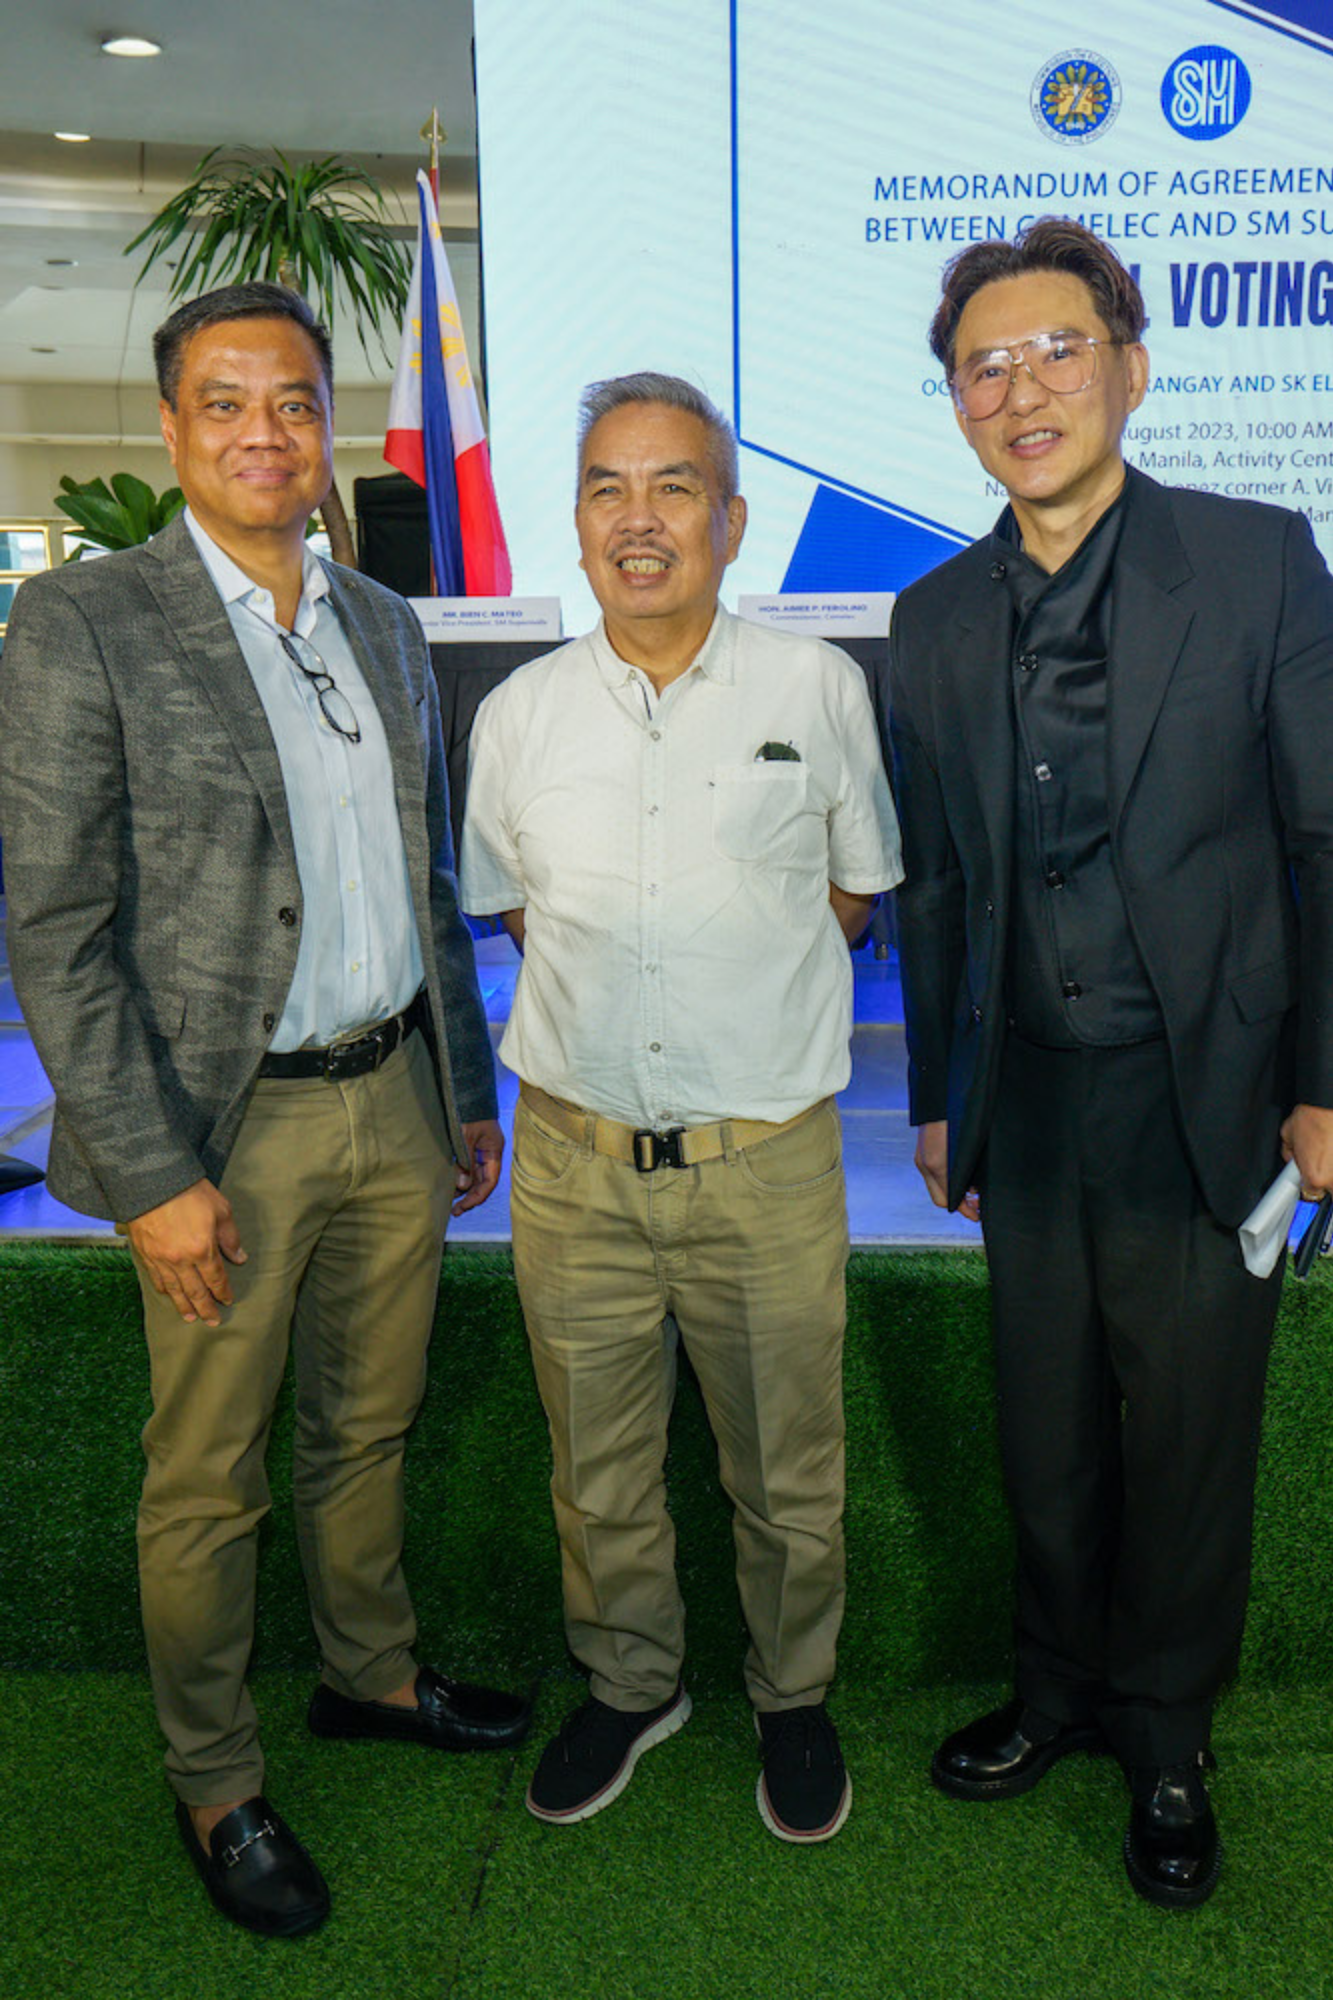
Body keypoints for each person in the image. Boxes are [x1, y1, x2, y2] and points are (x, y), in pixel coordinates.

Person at [0, 282, 530, 1939]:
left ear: (326, 426)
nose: (263, 432)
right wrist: (154, 1175)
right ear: (169, 428)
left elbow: (422, 876)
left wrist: (459, 1084)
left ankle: (366, 1679)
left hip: (392, 1096)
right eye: (224, 402)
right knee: (209, 1475)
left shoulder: (379, 620)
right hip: (217, 1130)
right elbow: (57, 927)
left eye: (293, 402)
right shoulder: (85, 627)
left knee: (364, 1427)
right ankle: (215, 1779)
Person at [884, 218, 1333, 1907]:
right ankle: (1057, 1691)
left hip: (1209, 1094)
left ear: (1128, 368)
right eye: (984, 366)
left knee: (1191, 1434)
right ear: (955, 405)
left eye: (1058, 351)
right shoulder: (928, 616)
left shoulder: (1253, 560)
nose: (1024, 389)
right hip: (1033, 1103)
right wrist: (937, 1093)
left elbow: (1325, 836)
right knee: (1046, 1421)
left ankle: (1167, 1736)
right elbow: (933, 875)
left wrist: (1327, 1082)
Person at [460, 372, 901, 1842]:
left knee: (786, 1472)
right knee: (596, 1469)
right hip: (573, 1169)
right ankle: (632, 1680)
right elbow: (522, 917)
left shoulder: (815, 688)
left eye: (669, 488)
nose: (635, 519)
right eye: (604, 487)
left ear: (730, 517)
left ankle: (793, 1698)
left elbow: (847, 898)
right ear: (574, 520)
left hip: (764, 1164)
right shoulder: (516, 716)